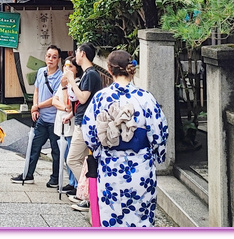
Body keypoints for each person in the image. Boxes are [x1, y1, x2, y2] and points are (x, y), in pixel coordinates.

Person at [83, 50, 169, 227]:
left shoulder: (101, 98)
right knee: (141, 218)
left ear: (108, 68)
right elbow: (159, 131)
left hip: (110, 167)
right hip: (140, 167)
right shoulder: (145, 98)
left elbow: (90, 132)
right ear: (132, 69)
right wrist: (157, 156)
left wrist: (101, 151)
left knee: (111, 216)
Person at [12, 45, 63, 187]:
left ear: (58, 60)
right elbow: (37, 90)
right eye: (48, 56)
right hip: (41, 118)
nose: (50, 59)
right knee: (34, 147)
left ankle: (55, 179)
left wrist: (38, 106)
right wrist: (34, 109)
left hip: (54, 120)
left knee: (56, 151)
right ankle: (27, 174)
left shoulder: (61, 77)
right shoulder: (41, 72)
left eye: (54, 57)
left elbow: (55, 99)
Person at [67, 43, 104, 210]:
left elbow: (82, 98)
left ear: (82, 54)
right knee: (83, 161)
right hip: (84, 120)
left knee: (73, 159)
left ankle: (89, 195)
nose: (75, 54)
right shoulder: (89, 74)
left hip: (85, 123)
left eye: (77, 51)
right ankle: (87, 195)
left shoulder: (90, 75)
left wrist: (71, 81)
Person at [55, 56, 83, 196]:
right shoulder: (64, 82)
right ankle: (72, 182)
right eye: (65, 66)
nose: (67, 69)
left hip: (73, 124)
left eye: (70, 67)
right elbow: (55, 100)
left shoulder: (76, 83)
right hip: (65, 121)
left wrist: (65, 86)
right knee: (67, 155)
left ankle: (78, 185)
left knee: (73, 157)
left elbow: (68, 103)